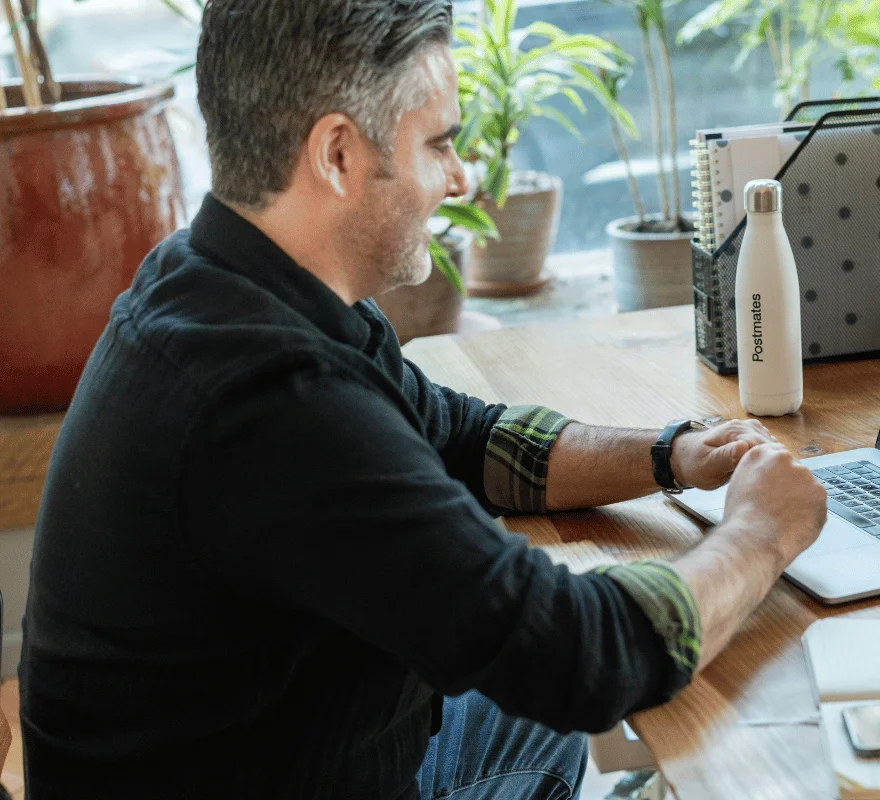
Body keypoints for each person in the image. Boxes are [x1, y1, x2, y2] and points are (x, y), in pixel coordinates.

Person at [17, 1, 828, 798]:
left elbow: (463, 439)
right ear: (337, 154)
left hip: (283, 748)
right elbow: (584, 658)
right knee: (624, 704)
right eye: (439, 142)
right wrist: (761, 532)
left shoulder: (220, 279)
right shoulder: (271, 405)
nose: (460, 176)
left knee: (536, 705)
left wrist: (671, 453)